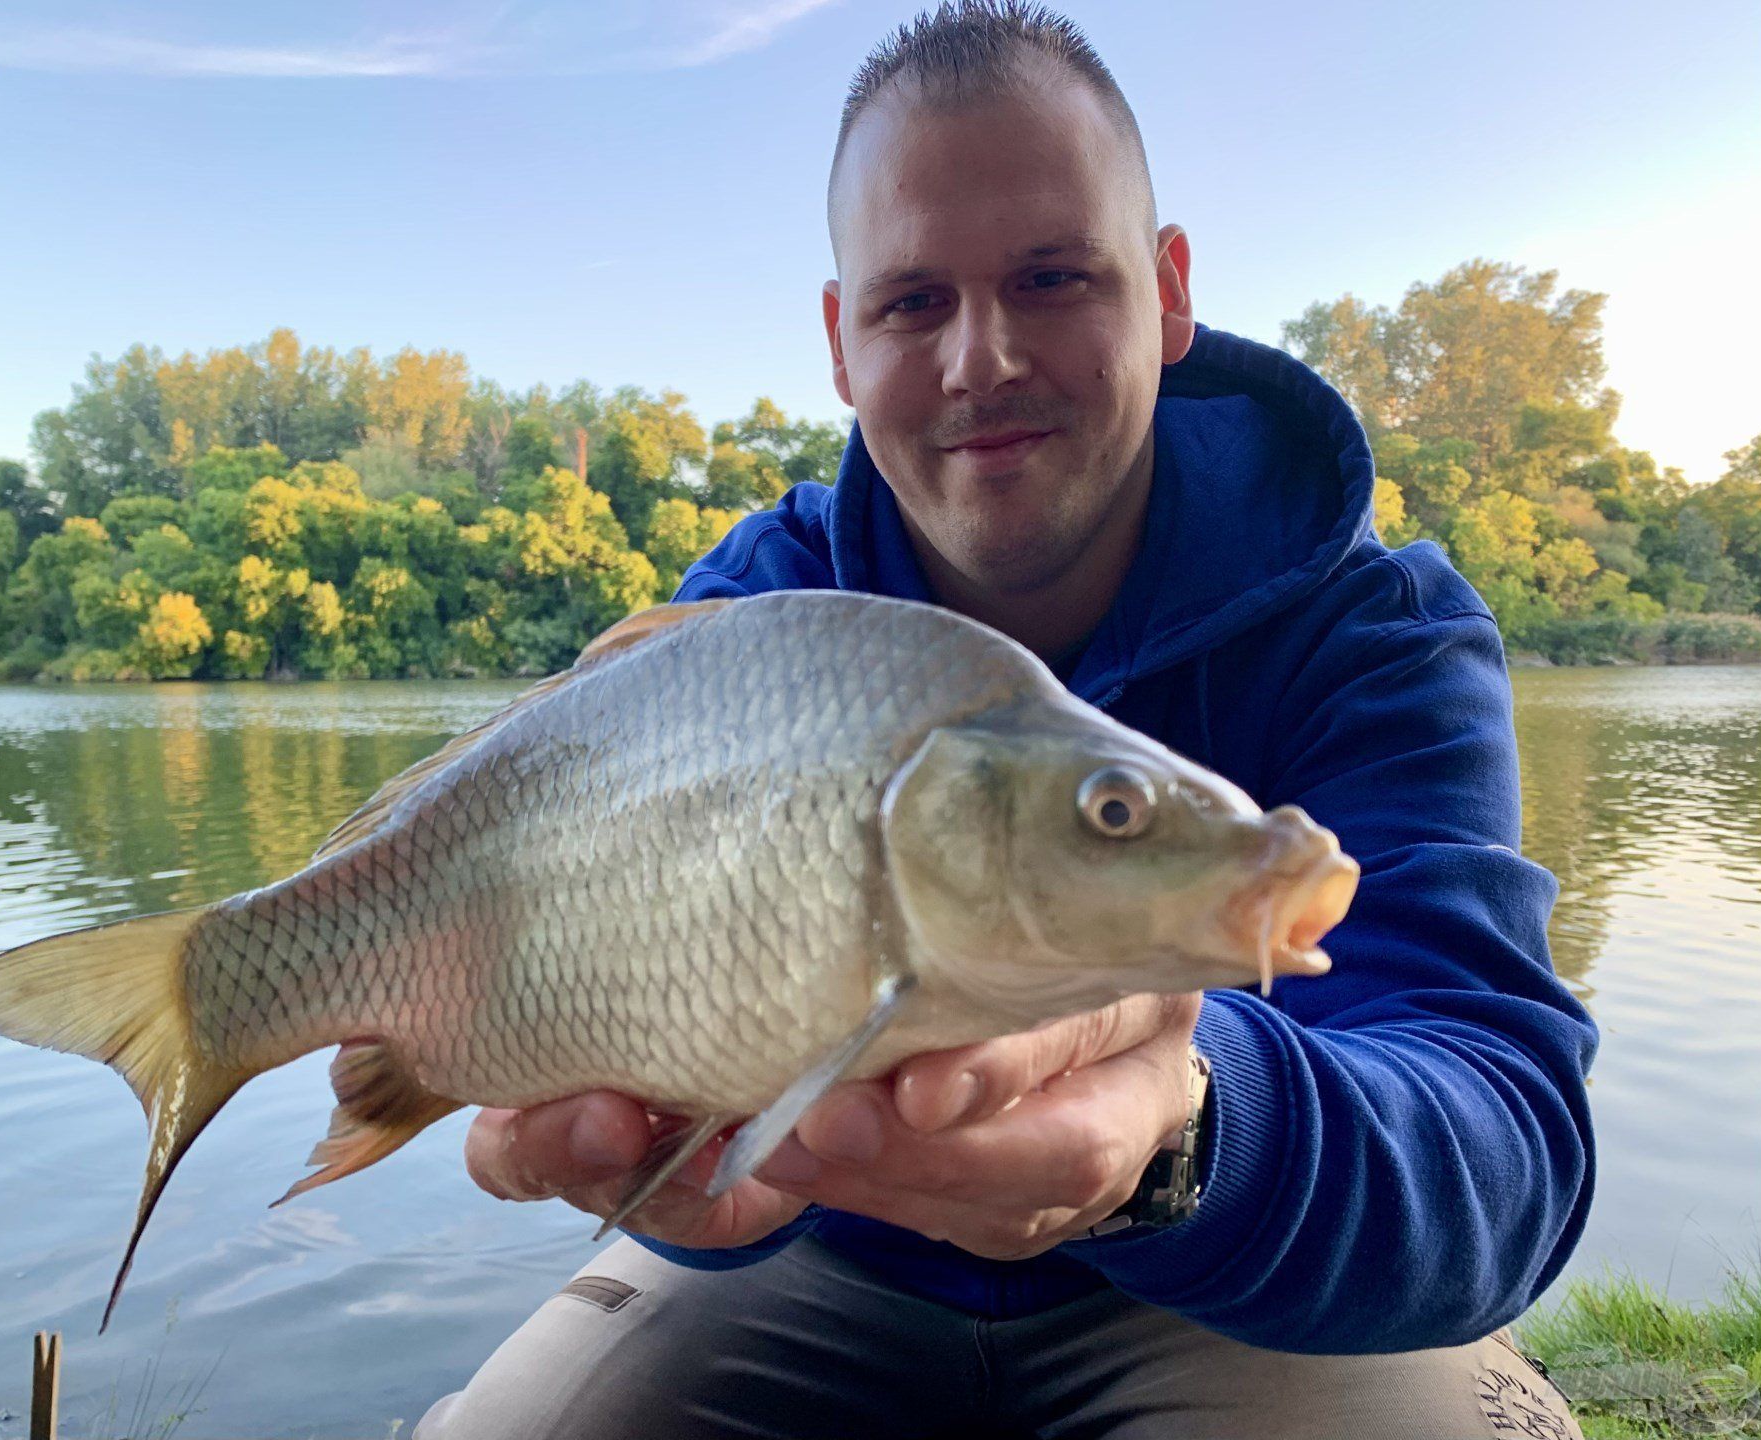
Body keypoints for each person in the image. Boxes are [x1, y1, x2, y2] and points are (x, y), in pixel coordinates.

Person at [416, 3, 1597, 1435]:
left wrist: (1186, 1131)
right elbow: (671, 1127)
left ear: (1166, 292)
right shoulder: (755, 618)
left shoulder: (1373, 629)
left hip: (1236, 1293)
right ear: (842, 346)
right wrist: (672, 1185)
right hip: (811, 1266)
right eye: (912, 301)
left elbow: (1507, 1150)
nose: (983, 359)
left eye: (1052, 277)